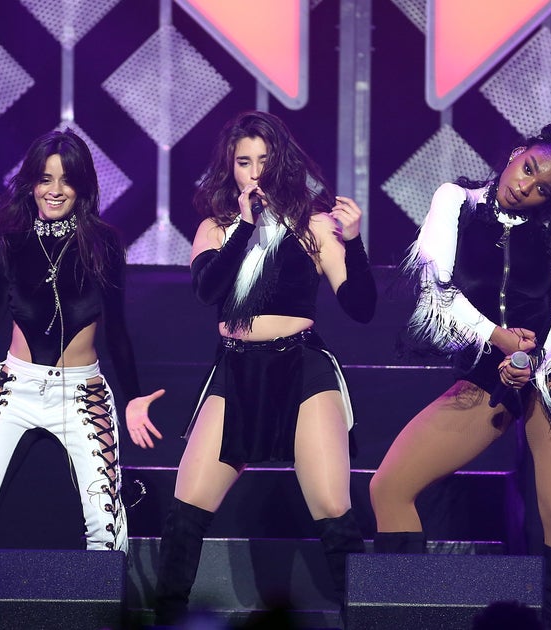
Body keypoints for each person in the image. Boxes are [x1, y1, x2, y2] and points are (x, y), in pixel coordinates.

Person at [369, 124, 551, 630]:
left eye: (543, 189)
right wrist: (499, 340)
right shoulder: (457, 202)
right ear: (516, 153)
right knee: (389, 487)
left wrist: (532, 360)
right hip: (487, 373)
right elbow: (435, 287)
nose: (526, 187)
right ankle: (403, 618)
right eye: (528, 169)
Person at [126, 110, 376, 624]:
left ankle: (363, 620)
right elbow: (207, 291)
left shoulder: (313, 225)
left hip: (302, 367)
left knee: (333, 507)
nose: (255, 172)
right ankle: (169, 621)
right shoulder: (215, 228)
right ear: (230, 167)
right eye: (244, 162)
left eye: (264, 159)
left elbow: (361, 307)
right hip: (237, 370)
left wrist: (353, 242)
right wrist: (244, 226)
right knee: (187, 508)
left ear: (282, 162)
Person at [0, 130, 158, 552]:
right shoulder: (13, 244)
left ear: (82, 186)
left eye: (66, 180)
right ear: (31, 183)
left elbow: (118, 330)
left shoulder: (103, 243)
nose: (55, 190)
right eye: (45, 179)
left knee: (106, 527)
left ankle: (104, 599)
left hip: (82, 392)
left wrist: (133, 398)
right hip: (16, 389)